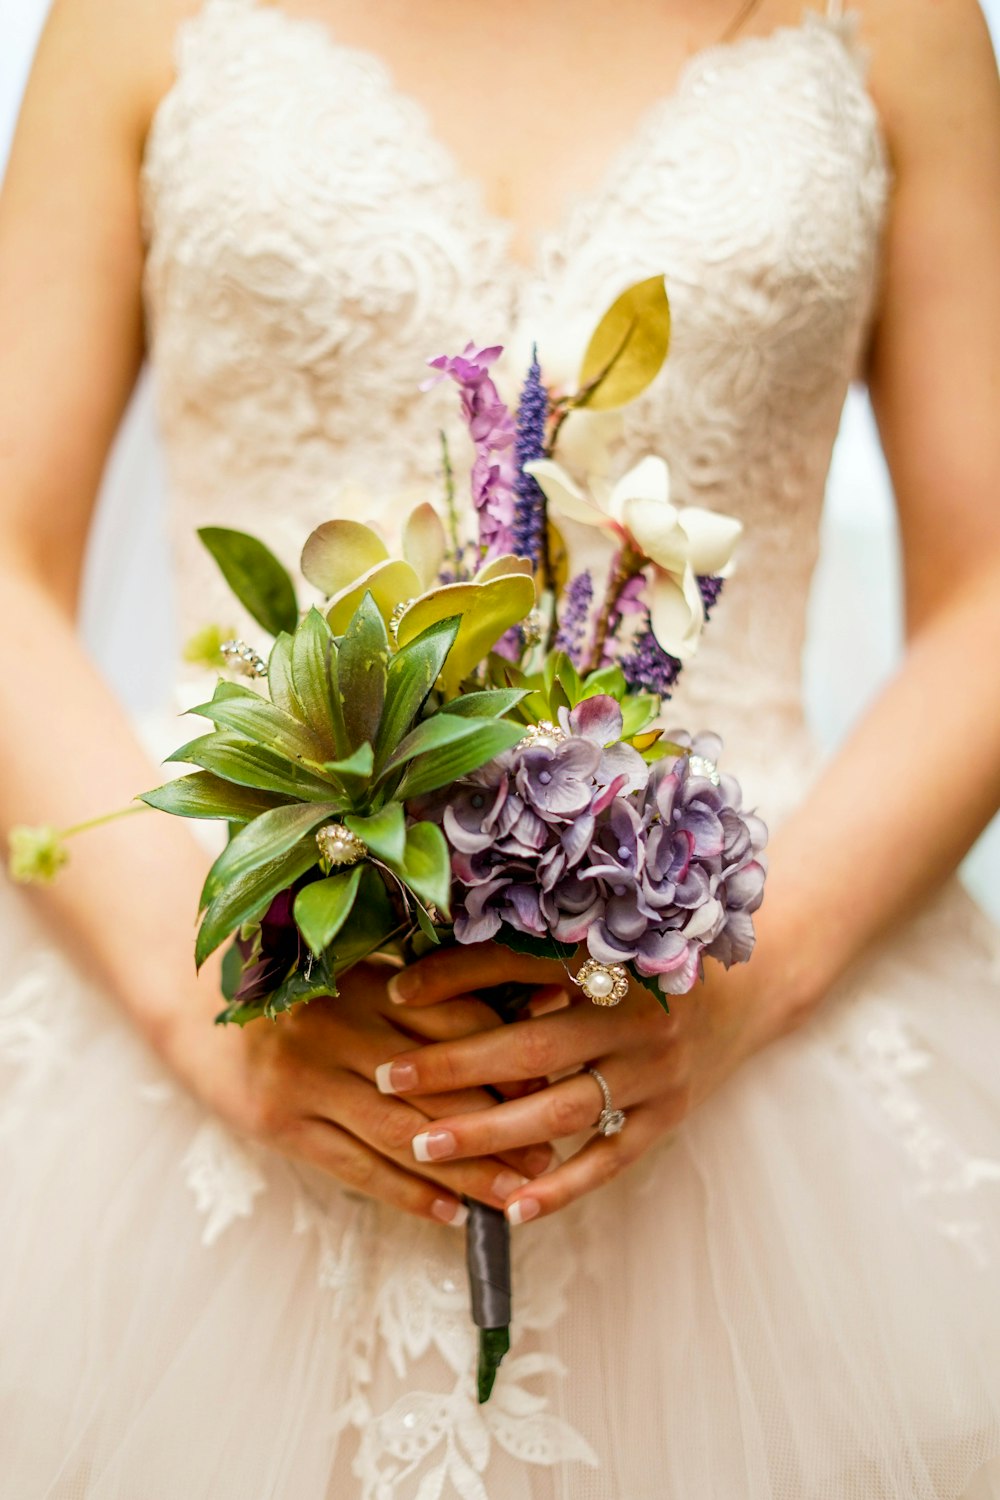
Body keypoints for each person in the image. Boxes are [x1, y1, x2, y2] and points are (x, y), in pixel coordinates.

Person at [1, 0, 1000, 1493]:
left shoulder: (904, 23)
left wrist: (748, 981)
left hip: (751, 1011)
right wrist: (200, 994)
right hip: (210, 994)